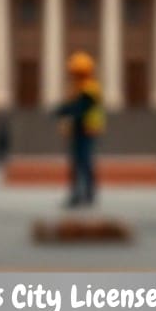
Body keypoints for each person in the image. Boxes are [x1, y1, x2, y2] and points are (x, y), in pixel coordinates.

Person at [54, 52, 104, 209]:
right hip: (79, 130)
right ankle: (81, 194)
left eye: (76, 73)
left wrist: (62, 111)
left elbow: (80, 107)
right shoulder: (79, 87)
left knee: (83, 162)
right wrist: (64, 110)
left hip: (86, 130)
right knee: (78, 163)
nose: (73, 76)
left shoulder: (90, 88)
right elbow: (74, 105)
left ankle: (84, 194)